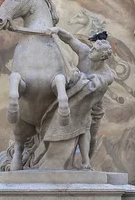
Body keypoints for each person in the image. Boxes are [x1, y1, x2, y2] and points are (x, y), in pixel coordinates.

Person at [47, 27, 115, 169]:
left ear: (102, 56)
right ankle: (85, 162)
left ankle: (87, 162)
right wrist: (57, 31)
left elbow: (91, 87)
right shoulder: (85, 52)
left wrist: (78, 76)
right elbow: (70, 39)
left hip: (92, 105)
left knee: (92, 135)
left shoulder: (107, 75)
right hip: (73, 97)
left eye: (95, 50)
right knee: (84, 127)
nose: (91, 50)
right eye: (93, 47)